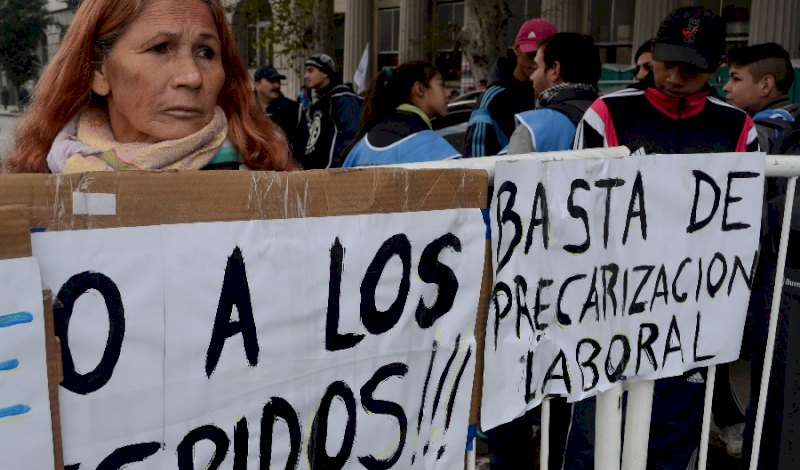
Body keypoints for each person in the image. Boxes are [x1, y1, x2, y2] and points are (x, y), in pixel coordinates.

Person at [570, 7, 758, 469]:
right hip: (609, 310)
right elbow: (574, 211)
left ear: (715, 67)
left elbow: (746, 227)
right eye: (666, 61)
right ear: (651, 53)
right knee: (594, 441)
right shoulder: (607, 112)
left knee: (673, 441)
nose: (674, 76)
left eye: (691, 67)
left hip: (690, 316)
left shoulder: (737, 127)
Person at [2, 0, 294, 174]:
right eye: (160, 48)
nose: (192, 77)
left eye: (206, 52)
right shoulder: (39, 186)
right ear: (98, 70)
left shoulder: (266, 176)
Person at [463, 18, 556, 157]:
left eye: (544, 57)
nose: (536, 62)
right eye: (531, 54)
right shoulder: (493, 100)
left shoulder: (557, 98)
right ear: (516, 49)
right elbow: (475, 162)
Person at [342, 61, 460, 167]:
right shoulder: (431, 146)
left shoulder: (359, 148)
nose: (448, 93)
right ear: (420, 89)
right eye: (441, 84)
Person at [507, 33, 601, 155]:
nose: (532, 77)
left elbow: (512, 173)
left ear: (555, 70)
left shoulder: (532, 128)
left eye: (536, 67)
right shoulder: (614, 118)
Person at [723, 43, 800, 152]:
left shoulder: (757, 135)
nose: (726, 88)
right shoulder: (793, 120)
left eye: (736, 79)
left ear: (765, 86)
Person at [301, 53, 362, 169]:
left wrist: (336, 170)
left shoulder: (343, 98)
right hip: (314, 175)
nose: (306, 76)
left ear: (325, 73)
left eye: (310, 71)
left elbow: (350, 135)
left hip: (330, 176)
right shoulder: (322, 102)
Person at [254, 64, 305, 159]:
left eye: (278, 81)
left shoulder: (294, 109)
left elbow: (301, 145)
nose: (277, 85)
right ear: (257, 85)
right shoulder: (244, 109)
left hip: (285, 169)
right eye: (271, 81)